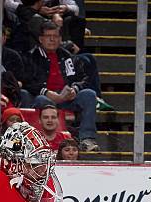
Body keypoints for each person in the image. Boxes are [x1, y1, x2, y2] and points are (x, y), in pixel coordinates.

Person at [23, 21, 100, 152]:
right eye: (48, 36)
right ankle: (41, 142)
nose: (52, 39)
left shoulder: (67, 56)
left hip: (67, 98)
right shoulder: (31, 57)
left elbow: (83, 78)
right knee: (42, 100)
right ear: (41, 39)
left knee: (89, 94)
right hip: (45, 98)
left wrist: (75, 89)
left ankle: (87, 139)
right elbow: (27, 81)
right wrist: (46, 92)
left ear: (60, 39)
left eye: (56, 36)